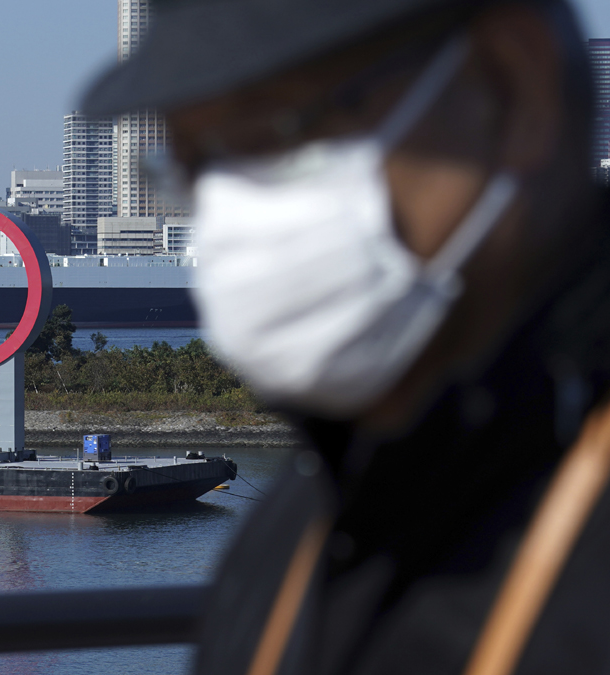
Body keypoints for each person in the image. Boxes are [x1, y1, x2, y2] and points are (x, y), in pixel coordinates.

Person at [81, 0, 609, 673]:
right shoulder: (296, 530)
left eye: (278, 129)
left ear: (513, 92)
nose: (231, 209)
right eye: (193, 162)